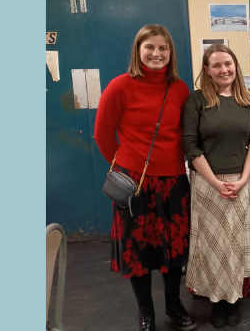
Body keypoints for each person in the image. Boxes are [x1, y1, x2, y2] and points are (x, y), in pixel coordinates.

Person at [93, 24, 196, 331]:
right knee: (137, 251)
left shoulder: (179, 89)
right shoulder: (119, 86)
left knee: (173, 251)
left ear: (171, 53)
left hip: (174, 181)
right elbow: (102, 134)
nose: (156, 53)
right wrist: (126, 166)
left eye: (163, 48)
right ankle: (146, 312)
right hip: (134, 186)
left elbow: (183, 134)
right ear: (138, 50)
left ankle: (174, 306)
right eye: (149, 47)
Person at [181, 44, 250, 328]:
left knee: (236, 244)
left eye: (228, 63)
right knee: (213, 246)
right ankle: (216, 301)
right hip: (207, 183)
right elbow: (190, 146)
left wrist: (243, 178)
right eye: (216, 65)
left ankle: (234, 299)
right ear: (207, 70)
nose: (224, 70)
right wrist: (215, 182)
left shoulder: (249, 101)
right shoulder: (197, 101)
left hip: (240, 181)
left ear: (235, 65)